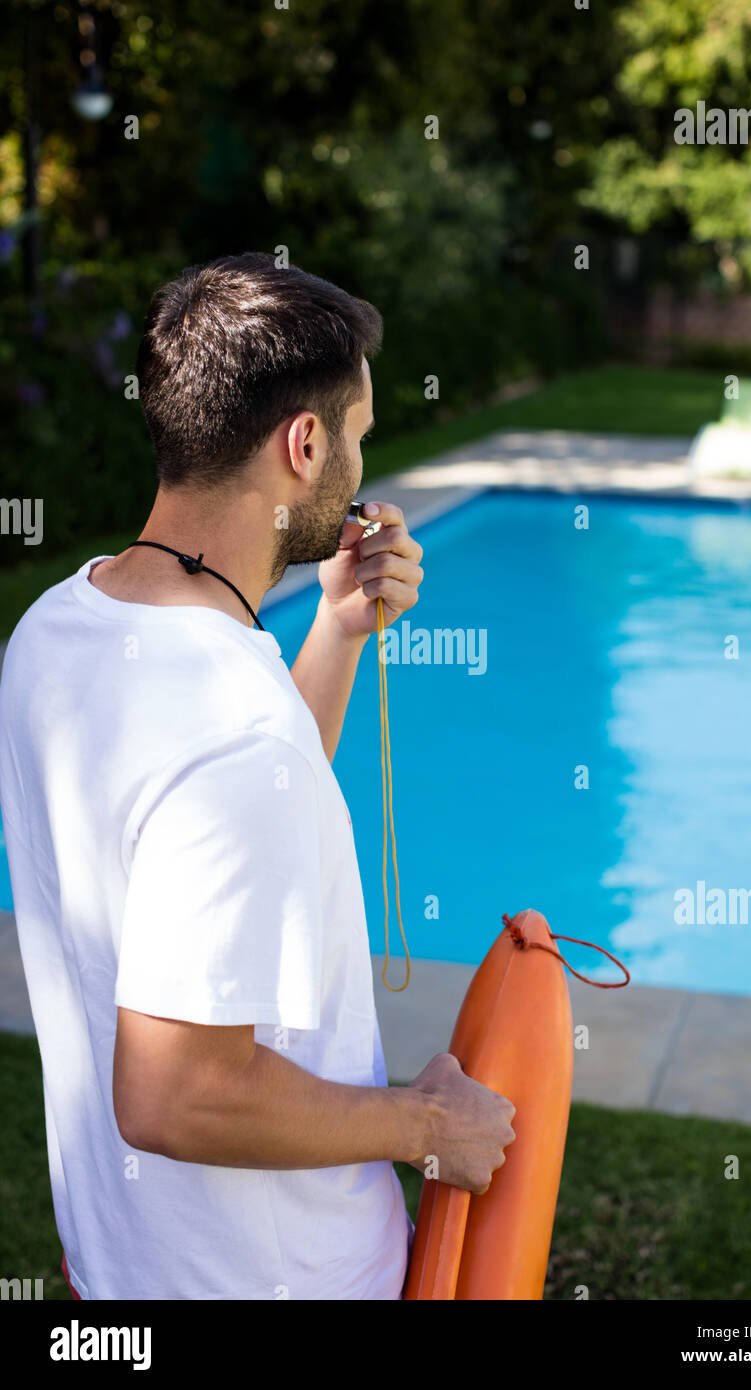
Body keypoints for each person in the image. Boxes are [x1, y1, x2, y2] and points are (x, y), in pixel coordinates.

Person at [0, 253, 515, 1300]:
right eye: (358, 435)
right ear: (304, 441)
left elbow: (243, 820)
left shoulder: (58, 625)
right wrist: (426, 1126)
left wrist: (333, 625)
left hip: (133, 1267)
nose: (361, 470)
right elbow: (177, 1095)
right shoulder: (234, 730)